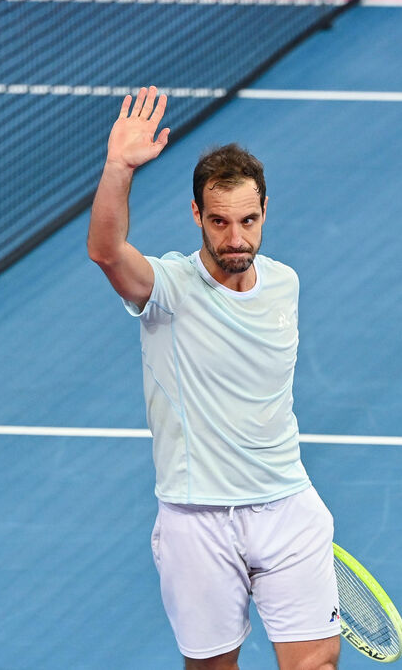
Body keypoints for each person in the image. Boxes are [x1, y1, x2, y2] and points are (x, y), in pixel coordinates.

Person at [87, 86, 341, 670]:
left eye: (248, 220)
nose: (236, 239)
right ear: (197, 215)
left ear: (265, 211)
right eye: (221, 221)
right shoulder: (166, 289)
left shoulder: (286, 284)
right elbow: (106, 250)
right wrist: (118, 167)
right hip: (197, 518)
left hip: (287, 507)